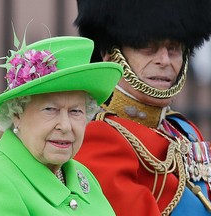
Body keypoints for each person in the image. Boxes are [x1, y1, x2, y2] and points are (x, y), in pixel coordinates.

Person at [0, 30, 123, 215]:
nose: (65, 126)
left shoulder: (82, 176)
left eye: (75, 111)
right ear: (17, 113)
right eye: (50, 109)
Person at [74, 0, 211, 215]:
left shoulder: (184, 130)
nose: (164, 60)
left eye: (173, 48)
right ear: (110, 54)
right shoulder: (100, 137)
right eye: (148, 47)